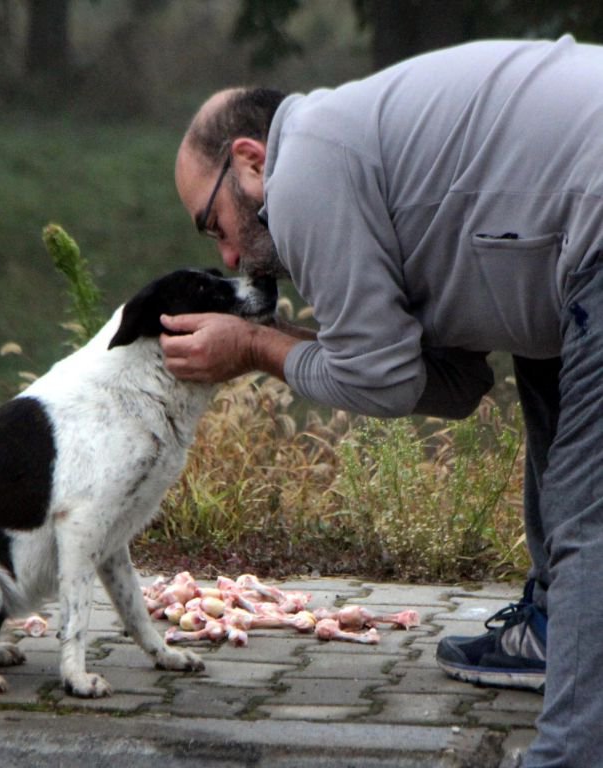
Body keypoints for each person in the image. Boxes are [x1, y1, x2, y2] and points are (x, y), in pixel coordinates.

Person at [160, 35, 603, 768]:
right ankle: (555, 633)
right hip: (569, 222)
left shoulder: (306, 173)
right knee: (550, 372)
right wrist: (286, 338)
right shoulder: (367, 152)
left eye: (216, 225)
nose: (229, 258)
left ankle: (574, 751)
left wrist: (252, 347)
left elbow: (381, 378)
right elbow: (454, 385)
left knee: (592, 509)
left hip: (589, 217)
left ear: (249, 161)